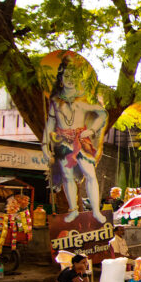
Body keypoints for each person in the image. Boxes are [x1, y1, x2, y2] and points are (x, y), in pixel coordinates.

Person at [42, 53, 108, 224]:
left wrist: (92, 130)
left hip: (81, 140)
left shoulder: (83, 98)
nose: (70, 79)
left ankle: (95, 211)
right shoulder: (55, 101)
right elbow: (50, 123)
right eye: (67, 75)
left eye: (74, 76)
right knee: (67, 176)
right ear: (61, 77)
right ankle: (73, 209)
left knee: (90, 174)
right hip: (62, 141)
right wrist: (44, 145)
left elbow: (103, 114)